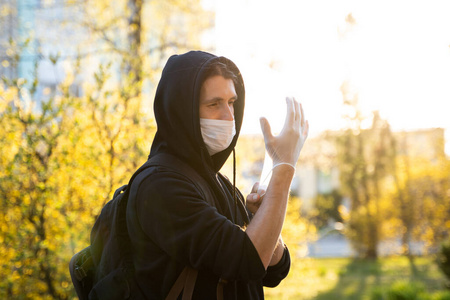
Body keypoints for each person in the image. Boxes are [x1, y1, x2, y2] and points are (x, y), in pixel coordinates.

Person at [126, 51, 309, 299]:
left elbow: (275, 270)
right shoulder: (160, 185)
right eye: (214, 104)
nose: (228, 116)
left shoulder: (214, 180)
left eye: (231, 102)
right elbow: (248, 260)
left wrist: (262, 218)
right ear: (182, 111)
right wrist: (284, 166)